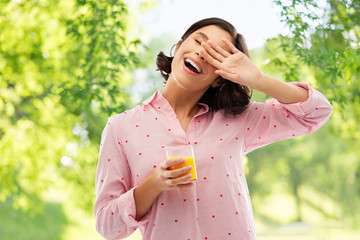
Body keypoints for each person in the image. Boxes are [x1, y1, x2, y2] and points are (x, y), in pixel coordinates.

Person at [94, 17, 333, 240]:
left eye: (216, 54)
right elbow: (107, 225)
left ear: (220, 77)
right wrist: (154, 183)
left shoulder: (238, 119)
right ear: (178, 47)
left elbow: (318, 112)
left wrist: (258, 79)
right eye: (199, 41)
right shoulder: (121, 127)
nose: (201, 53)